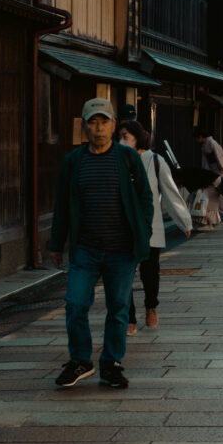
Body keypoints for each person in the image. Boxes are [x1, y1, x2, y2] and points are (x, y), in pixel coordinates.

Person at [49, 98, 153, 389]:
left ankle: (111, 364)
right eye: (92, 122)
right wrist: (57, 244)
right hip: (85, 248)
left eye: (104, 122)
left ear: (114, 125)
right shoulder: (73, 161)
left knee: (118, 307)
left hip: (122, 250)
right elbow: (62, 205)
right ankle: (81, 360)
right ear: (84, 126)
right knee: (75, 303)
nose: (98, 128)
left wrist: (142, 233)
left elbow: (145, 199)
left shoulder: (127, 158)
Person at [117, 121, 192, 335]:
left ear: (138, 138)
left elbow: (170, 192)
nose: (121, 141)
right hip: (123, 229)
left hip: (151, 228)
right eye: (120, 137)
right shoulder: (117, 161)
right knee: (123, 275)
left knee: (149, 274)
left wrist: (184, 221)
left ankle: (151, 306)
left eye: (126, 137)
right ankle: (129, 318)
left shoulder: (155, 161)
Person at [193, 127, 223, 228]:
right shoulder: (205, 144)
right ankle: (220, 212)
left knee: (221, 189)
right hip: (212, 168)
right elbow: (205, 160)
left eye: (197, 138)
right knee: (214, 191)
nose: (197, 141)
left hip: (218, 168)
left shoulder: (211, 142)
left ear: (200, 137)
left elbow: (220, 155)